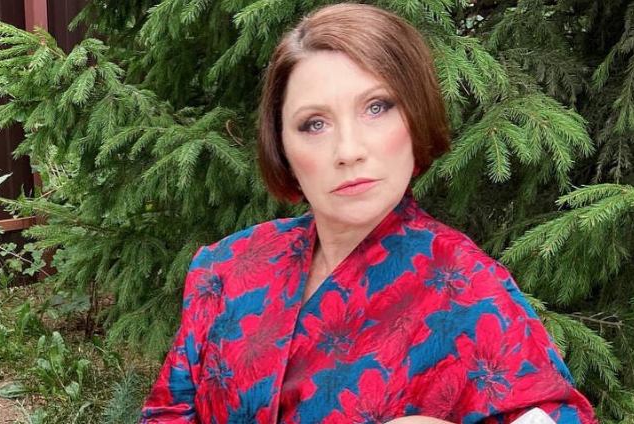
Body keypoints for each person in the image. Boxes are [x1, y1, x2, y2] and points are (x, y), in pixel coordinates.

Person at [139, 3, 597, 424]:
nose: (348, 150)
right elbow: (166, 414)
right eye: (314, 124)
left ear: (415, 116)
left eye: (376, 107)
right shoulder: (227, 266)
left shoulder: (469, 290)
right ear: (283, 146)